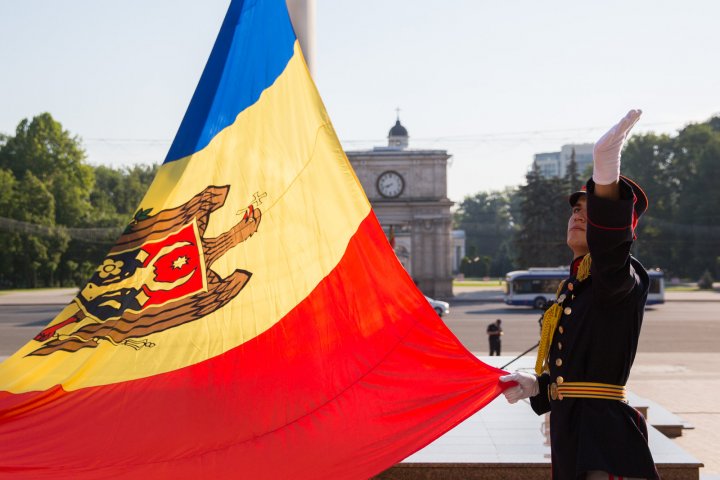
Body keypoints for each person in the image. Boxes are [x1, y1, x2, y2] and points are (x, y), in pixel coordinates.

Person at [499, 110, 659, 480]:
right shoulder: (575, 287)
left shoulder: (620, 275)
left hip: (604, 440)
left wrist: (606, 173)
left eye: (592, 210)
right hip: (574, 428)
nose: (578, 215)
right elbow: (577, 365)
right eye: (576, 208)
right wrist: (537, 386)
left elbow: (610, 251)